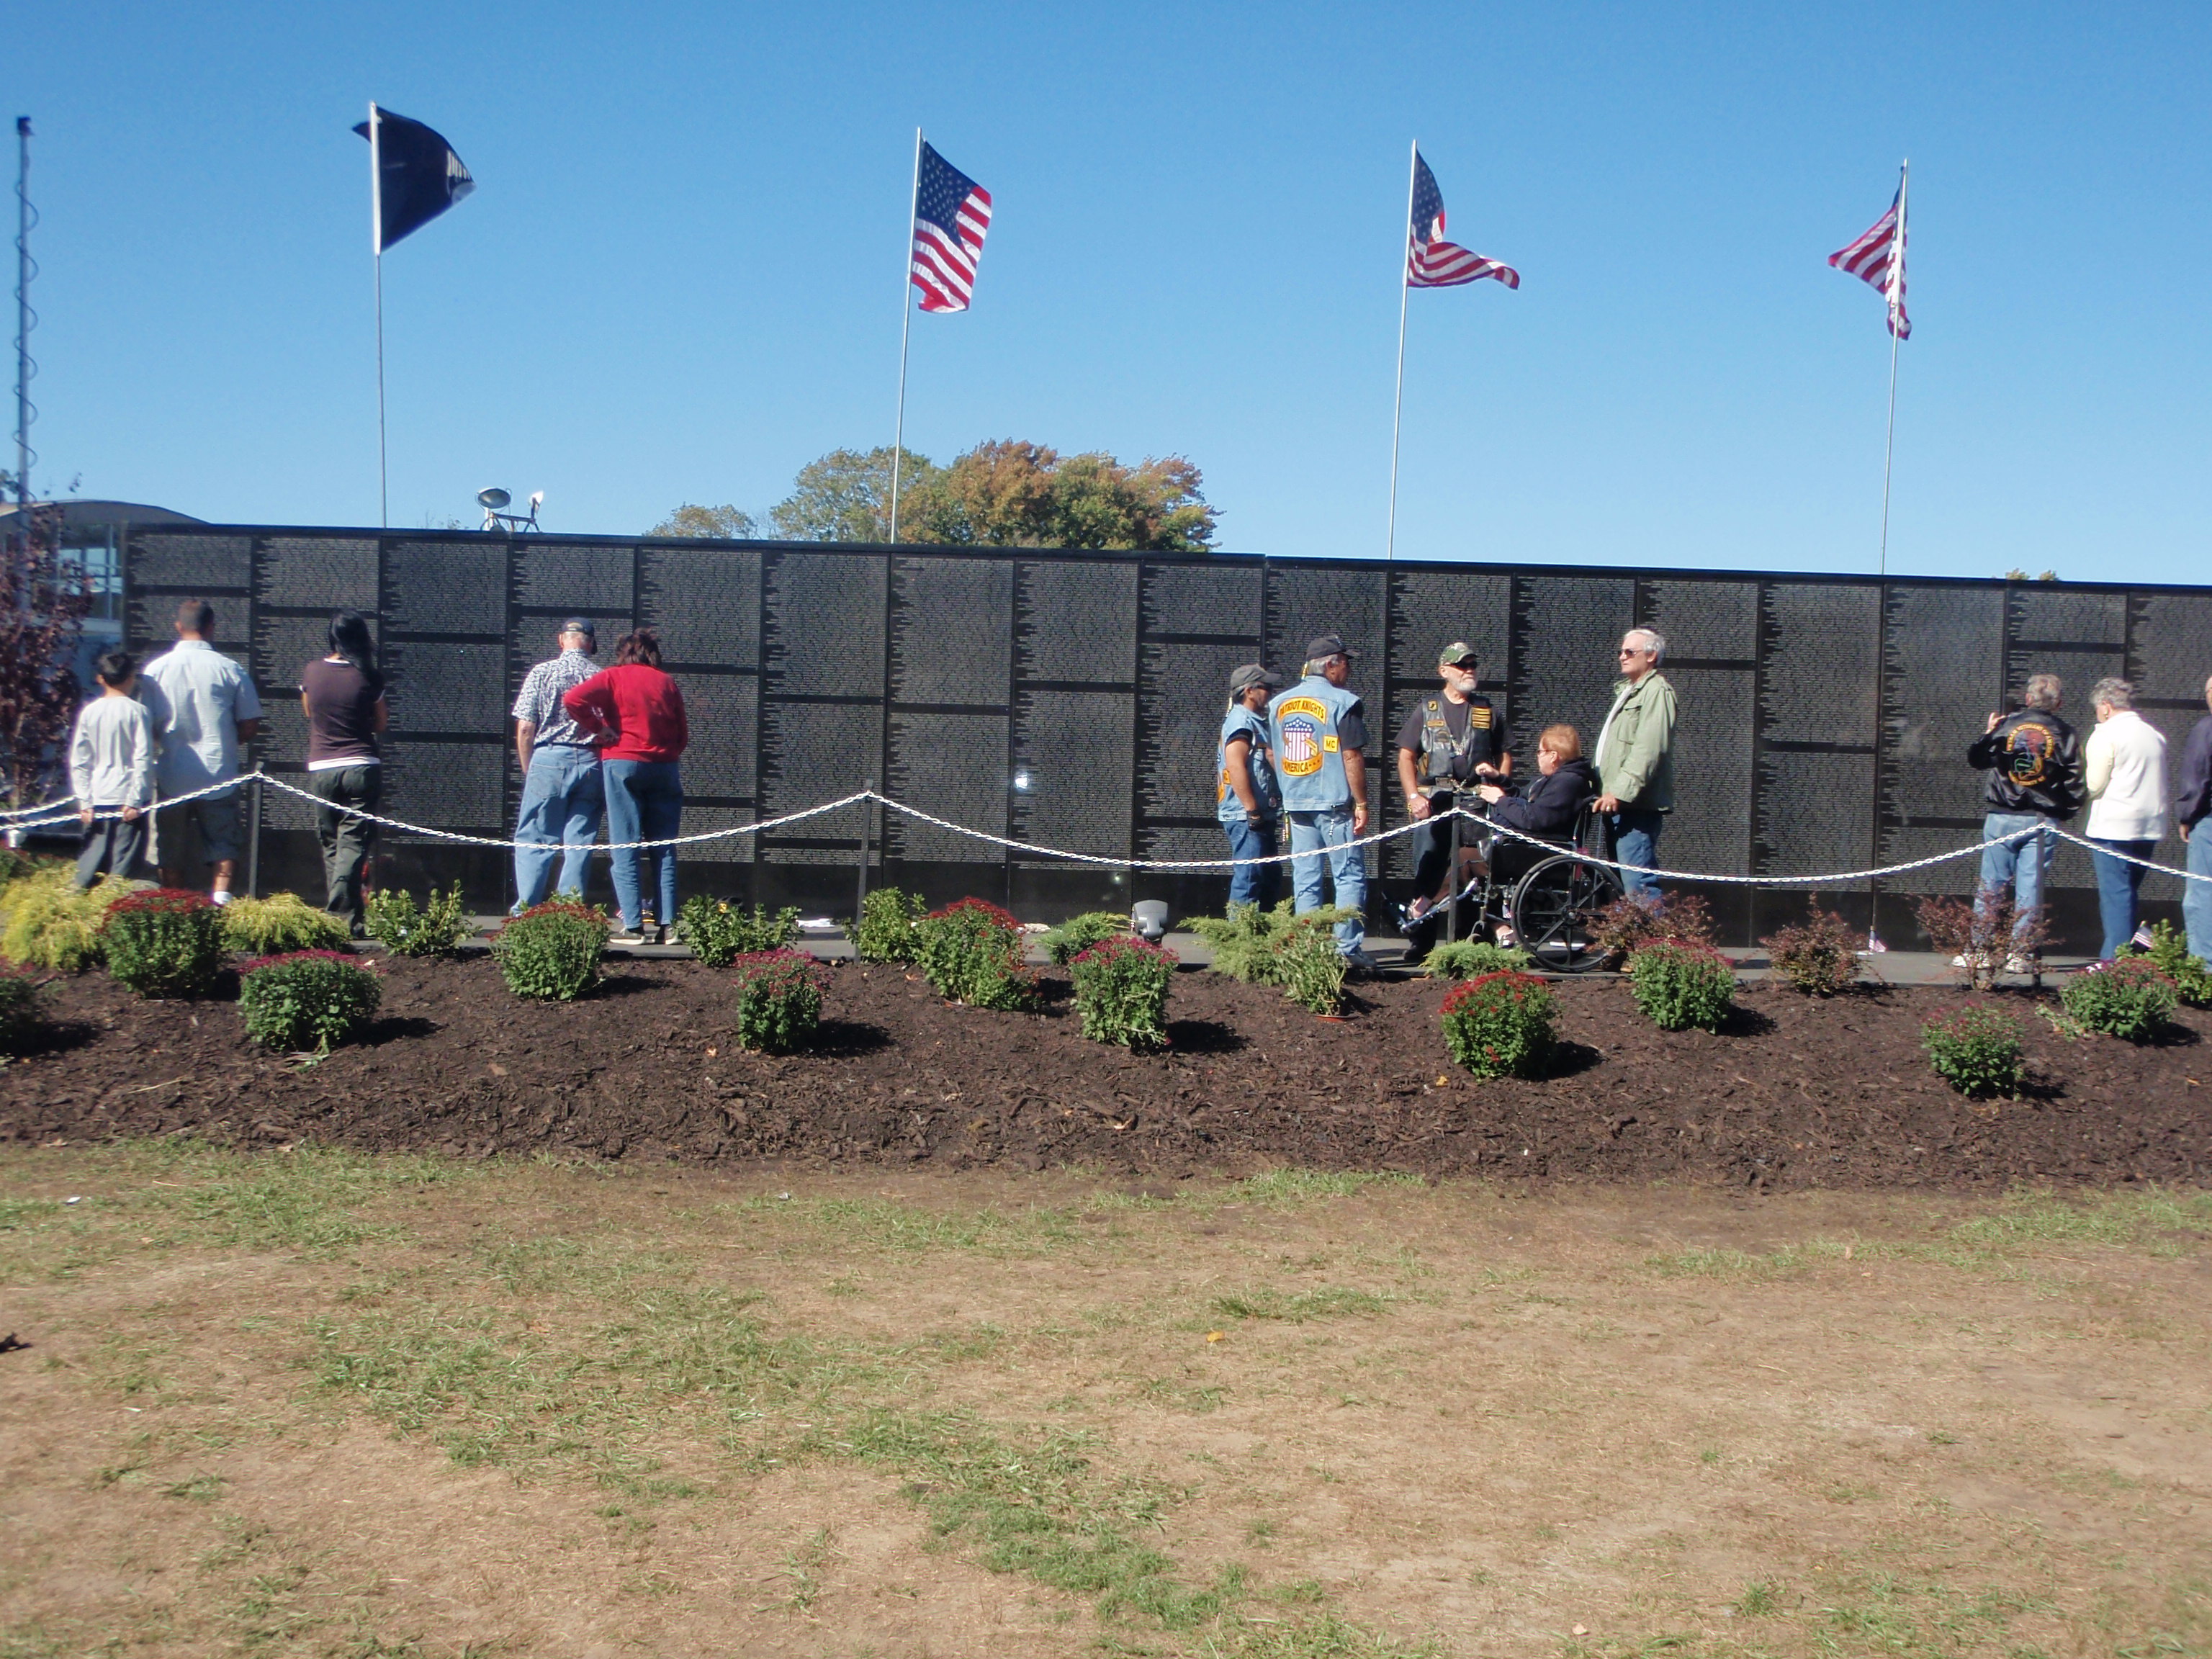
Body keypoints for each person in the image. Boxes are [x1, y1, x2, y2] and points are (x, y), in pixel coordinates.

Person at [1406, 724, 1593, 948]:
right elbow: (1522, 800)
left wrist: (1500, 800)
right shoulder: (1552, 780)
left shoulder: (1567, 782)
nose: (1538, 757)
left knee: (1465, 858)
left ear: (1554, 756)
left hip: (1541, 852)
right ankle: (1495, 926)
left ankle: (1423, 906)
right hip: (1527, 847)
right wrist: (1499, 778)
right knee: (1468, 862)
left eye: (1540, 752)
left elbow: (1534, 819)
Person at [564, 628, 688, 946]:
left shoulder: (613, 677)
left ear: (623, 653)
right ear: (653, 653)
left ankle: (633, 926)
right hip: (664, 768)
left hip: (622, 764)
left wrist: (600, 729)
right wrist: (666, 753)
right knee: (664, 848)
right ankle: (668, 926)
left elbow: (573, 699)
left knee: (625, 844)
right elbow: (682, 733)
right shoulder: (666, 682)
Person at [138, 598, 264, 905]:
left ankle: (176, 909)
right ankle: (220, 905)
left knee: (170, 850)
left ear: (178, 627)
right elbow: (250, 723)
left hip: (171, 774)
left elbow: (146, 723)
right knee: (223, 844)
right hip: (218, 772)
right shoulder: (229, 669)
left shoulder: (155, 670)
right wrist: (228, 741)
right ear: (211, 627)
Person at [1268, 633, 1373, 972]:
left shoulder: (1278, 704)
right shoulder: (1344, 702)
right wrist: (1362, 802)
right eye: (1345, 662)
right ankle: (1346, 949)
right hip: (1333, 804)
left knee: (1306, 877)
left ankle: (1307, 950)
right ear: (1330, 665)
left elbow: (1271, 752)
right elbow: (1352, 755)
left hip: (1296, 803)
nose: (1348, 670)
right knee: (1348, 875)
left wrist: (1290, 782)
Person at [1963, 673, 2082, 973]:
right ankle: (2021, 954)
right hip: (2041, 819)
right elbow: (2076, 780)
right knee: (2031, 888)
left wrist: (1988, 733)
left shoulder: (2006, 726)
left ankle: (1980, 950)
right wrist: (2063, 812)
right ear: (2059, 703)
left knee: (1991, 885)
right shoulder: (2065, 732)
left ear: (2028, 699)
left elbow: (1976, 760)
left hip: (2002, 814)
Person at [1395, 642, 1509, 909]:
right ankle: (1420, 945)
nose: (1469, 670)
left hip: (1475, 800)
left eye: (1472, 665)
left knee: (1478, 869)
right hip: (1434, 800)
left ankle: (1473, 939)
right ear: (1444, 670)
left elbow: (1504, 753)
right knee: (1428, 873)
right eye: (1461, 665)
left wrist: (1501, 786)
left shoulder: (1486, 709)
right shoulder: (1427, 709)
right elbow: (1406, 756)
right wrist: (1413, 796)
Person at [300, 611, 389, 935]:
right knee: (353, 843)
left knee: (331, 843)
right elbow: (380, 724)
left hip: (322, 767)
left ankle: (344, 919)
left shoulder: (312, 671)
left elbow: (309, 711)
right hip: (362, 766)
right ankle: (344, 915)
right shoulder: (369, 675)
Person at [511, 619, 608, 912]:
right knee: (580, 838)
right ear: (590, 643)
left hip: (549, 758)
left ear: (561, 639)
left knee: (536, 834)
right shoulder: (601, 676)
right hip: (591, 760)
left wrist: (530, 769)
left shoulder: (542, 672)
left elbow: (526, 727)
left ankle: (526, 908)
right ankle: (570, 909)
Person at [2082, 676, 2168, 961]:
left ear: (2106, 707)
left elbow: (2093, 784)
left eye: (2097, 708)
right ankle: (2132, 950)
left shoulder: (2106, 734)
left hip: (2113, 826)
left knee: (2116, 897)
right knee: (2128, 893)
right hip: (2148, 826)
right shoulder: (2154, 734)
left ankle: (2115, 964)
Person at [1593, 628, 1676, 905]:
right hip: (1618, 806)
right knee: (1624, 886)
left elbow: (1649, 750)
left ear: (1651, 656)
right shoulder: (1629, 692)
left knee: (1638, 885)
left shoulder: (1656, 692)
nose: (1622, 657)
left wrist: (1618, 791)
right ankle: (1629, 946)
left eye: (1630, 652)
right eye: (1621, 651)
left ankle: (1654, 948)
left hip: (1635, 806)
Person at [68, 648, 155, 891]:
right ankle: (112, 908)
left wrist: (84, 800)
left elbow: (79, 760)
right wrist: (135, 799)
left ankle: (78, 906)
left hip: (97, 797)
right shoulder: (138, 712)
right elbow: (143, 757)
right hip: (129, 800)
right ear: (131, 677)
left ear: (100, 678)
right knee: (122, 867)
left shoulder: (89, 712)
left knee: (90, 864)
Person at [1217, 662, 1285, 910]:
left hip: (1260, 814)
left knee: (1268, 877)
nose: (1270, 692)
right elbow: (1235, 765)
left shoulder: (1256, 721)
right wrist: (1252, 810)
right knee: (1249, 878)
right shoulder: (1241, 721)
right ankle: (1241, 939)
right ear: (1250, 691)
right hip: (1246, 816)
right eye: (1266, 687)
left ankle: (1262, 938)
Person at [2178, 674, 2212, 967]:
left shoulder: (2206, 729)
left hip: (2210, 821)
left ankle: (2205, 968)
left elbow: (2197, 778)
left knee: (2202, 894)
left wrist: (2187, 816)